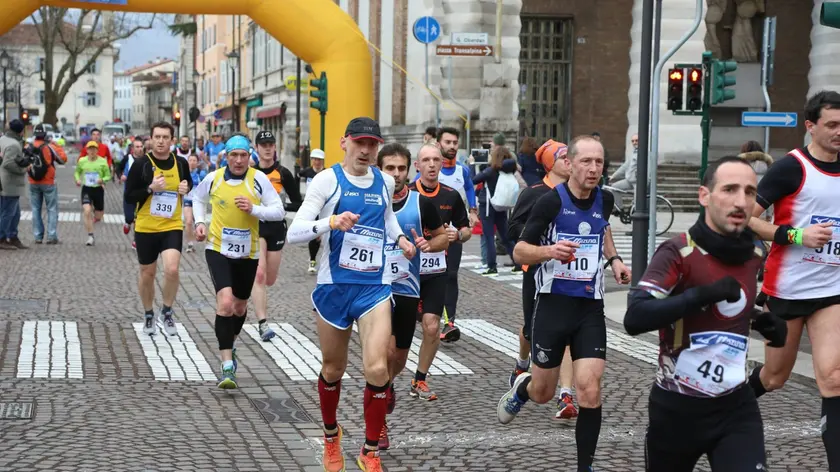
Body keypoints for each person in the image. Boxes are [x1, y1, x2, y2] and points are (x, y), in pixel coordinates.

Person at [624, 156, 787, 471]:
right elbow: (636, 316)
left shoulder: (754, 254)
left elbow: (730, 302)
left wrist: (760, 320)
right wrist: (699, 295)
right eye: (729, 189)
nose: (741, 201)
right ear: (704, 196)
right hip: (677, 408)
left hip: (735, 406)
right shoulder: (678, 252)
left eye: (750, 192)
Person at [286, 117, 415, 472]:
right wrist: (329, 222)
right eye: (360, 142)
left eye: (372, 144)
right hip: (333, 288)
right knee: (333, 368)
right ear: (344, 143)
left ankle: (370, 450)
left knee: (376, 368)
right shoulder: (327, 180)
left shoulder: (385, 181)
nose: (366, 150)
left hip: (374, 288)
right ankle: (331, 436)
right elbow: (294, 231)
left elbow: (388, 220)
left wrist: (401, 239)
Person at [497, 135, 631, 472]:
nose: (593, 168)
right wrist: (548, 252)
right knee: (544, 391)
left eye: (599, 162)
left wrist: (614, 260)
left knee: (589, 388)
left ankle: (584, 466)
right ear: (569, 164)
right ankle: (523, 389)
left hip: (589, 307)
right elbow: (519, 251)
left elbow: (602, 231)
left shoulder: (606, 199)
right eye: (586, 161)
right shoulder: (549, 202)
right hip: (553, 305)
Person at [747, 90, 840, 470]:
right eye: (832, 125)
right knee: (774, 377)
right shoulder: (791, 168)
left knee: (834, 378)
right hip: (786, 289)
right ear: (811, 126)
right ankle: (724, 406)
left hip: (831, 290)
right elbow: (748, 218)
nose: (839, 132)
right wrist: (796, 235)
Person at [191, 134, 286, 389]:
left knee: (240, 308)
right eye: (234, 155)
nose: (239, 160)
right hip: (218, 249)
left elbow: (278, 211)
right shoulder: (214, 178)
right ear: (226, 157)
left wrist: (254, 209)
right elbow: (197, 199)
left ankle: (230, 345)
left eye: (243, 155)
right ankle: (227, 366)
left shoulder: (259, 180)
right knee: (225, 303)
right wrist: (200, 223)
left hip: (248, 253)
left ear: (249, 156)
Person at [377, 142, 448, 449]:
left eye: (401, 168)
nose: (395, 174)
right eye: (389, 168)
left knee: (398, 358)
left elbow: (442, 235)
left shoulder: (421, 204)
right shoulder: (368, 200)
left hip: (407, 288)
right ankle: (378, 423)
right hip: (374, 290)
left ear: (409, 170)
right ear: (379, 169)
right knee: (381, 355)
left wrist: (430, 246)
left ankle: (388, 385)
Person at [507, 139, 578, 420]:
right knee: (530, 331)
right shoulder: (534, 193)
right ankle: (521, 362)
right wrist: (544, 238)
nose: (570, 161)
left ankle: (566, 395)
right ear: (551, 163)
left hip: (569, 274)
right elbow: (513, 229)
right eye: (564, 157)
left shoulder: (580, 194)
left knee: (568, 335)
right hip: (536, 272)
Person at [410, 144, 472, 401]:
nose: (432, 165)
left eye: (436, 160)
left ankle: (419, 379)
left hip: (436, 272)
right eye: (426, 160)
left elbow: (466, 229)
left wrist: (458, 235)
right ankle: (385, 382)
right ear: (418, 166)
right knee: (396, 337)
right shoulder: (407, 194)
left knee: (432, 327)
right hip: (407, 273)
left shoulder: (451, 195)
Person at [124, 122, 192, 336]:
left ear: (172, 140)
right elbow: (129, 196)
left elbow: (187, 182)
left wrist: (186, 187)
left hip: (172, 225)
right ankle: (148, 313)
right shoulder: (141, 165)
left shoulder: (180, 163)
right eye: (157, 137)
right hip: (146, 226)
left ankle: (168, 310)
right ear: (151, 140)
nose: (161, 141)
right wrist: (150, 189)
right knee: (148, 273)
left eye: (165, 137)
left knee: (171, 269)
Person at [251, 130, 302, 341]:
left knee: (269, 278)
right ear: (257, 148)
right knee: (260, 274)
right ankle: (263, 323)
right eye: (263, 144)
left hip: (277, 227)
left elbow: (298, 202)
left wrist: (284, 206)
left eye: (271, 144)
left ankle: (256, 289)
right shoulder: (250, 173)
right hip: (256, 226)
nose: (267, 148)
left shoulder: (283, 173)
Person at [430, 127, 478, 341]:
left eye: (454, 142)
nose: (451, 146)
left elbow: (469, 188)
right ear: (439, 144)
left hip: (453, 232)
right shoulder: (431, 169)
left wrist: (473, 211)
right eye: (447, 142)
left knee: (451, 275)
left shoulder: (463, 170)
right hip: (430, 233)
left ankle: (449, 323)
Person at [472, 145, 518, 276]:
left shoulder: (491, 171)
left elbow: (474, 179)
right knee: (505, 237)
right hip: (502, 206)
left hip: (488, 206)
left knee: (489, 236)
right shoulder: (509, 170)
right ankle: (518, 263)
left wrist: (472, 165)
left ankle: (492, 267)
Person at [28, 124, 67, 244]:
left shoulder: (28, 146)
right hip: (48, 182)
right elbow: (63, 159)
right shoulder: (49, 147)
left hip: (33, 181)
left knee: (35, 209)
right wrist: (55, 145)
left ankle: (38, 236)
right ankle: (51, 236)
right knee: (51, 209)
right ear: (45, 134)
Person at [74, 141, 111, 246]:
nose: (92, 151)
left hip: (98, 189)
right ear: (86, 150)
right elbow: (77, 172)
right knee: (87, 211)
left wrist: (102, 180)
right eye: (90, 149)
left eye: (94, 149)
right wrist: (77, 180)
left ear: (97, 150)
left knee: (98, 216)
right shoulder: (82, 161)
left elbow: (108, 176)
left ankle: (95, 214)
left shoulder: (102, 162)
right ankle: (90, 236)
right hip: (87, 189)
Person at [0, 119, 29, 250]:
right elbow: (8, 163)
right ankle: (2, 238)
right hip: (9, 183)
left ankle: (12, 236)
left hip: (3, 181)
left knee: (14, 212)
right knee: (8, 212)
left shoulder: (3, 139)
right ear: (20, 131)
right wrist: (22, 170)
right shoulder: (14, 144)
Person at [299, 148, 326, 273]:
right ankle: (313, 260)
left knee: (324, 234)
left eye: (319, 160)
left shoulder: (327, 173)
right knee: (314, 233)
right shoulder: (306, 172)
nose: (317, 162)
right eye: (315, 159)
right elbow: (297, 181)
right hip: (312, 207)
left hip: (325, 207)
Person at [121, 138, 146, 248]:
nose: (140, 149)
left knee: (138, 217)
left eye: (141, 147)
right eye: (137, 147)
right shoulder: (127, 158)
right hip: (129, 192)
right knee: (130, 217)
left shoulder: (146, 159)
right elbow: (118, 168)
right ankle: (127, 222)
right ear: (132, 148)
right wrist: (121, 175)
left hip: (141, 192)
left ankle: (136, 239)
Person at [183, 154, 207, 253]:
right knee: (188, 222)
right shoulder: (183, 174)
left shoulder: (201, 174)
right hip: (187, 201)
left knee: (198, 222)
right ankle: (190, 243)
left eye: (194, 160)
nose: (192, 162)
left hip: (198, 202)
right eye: (190, 160)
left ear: (197, 163)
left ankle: (196, 235)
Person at [609, 133, 638, 208]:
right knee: (614, 187)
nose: (634, 143)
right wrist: (613, 176)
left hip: (639, 183)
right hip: (629, 180)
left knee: (637, 203)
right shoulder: (633, 153)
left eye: (636, 140)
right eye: (633, 141)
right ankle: (620, 209)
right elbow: (625, 166)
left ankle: (634, 211)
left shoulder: (645, 153)